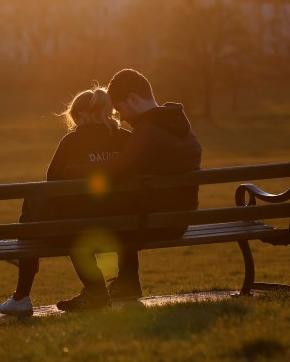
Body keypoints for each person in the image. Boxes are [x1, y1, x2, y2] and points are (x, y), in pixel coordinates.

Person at [56, 68, 202, 312]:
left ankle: (95, 294)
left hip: (155, 222)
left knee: (79, 227)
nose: (121, 118)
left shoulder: (149, 131)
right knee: (122, 211)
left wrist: (72, 171)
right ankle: (127, 283)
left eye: (121, 109)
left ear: (134, 99)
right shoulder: (177, 125)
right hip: (178, 216)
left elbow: (118, 169)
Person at [0, 87, 130, 316]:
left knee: (30, 214)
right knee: (36, 216)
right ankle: (93, 291)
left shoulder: (73, 141)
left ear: (81, 115)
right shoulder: (126, 138)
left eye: (75, 119)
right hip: (124, 224)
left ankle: (22, 293)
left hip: (78, 227)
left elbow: (51, 183)